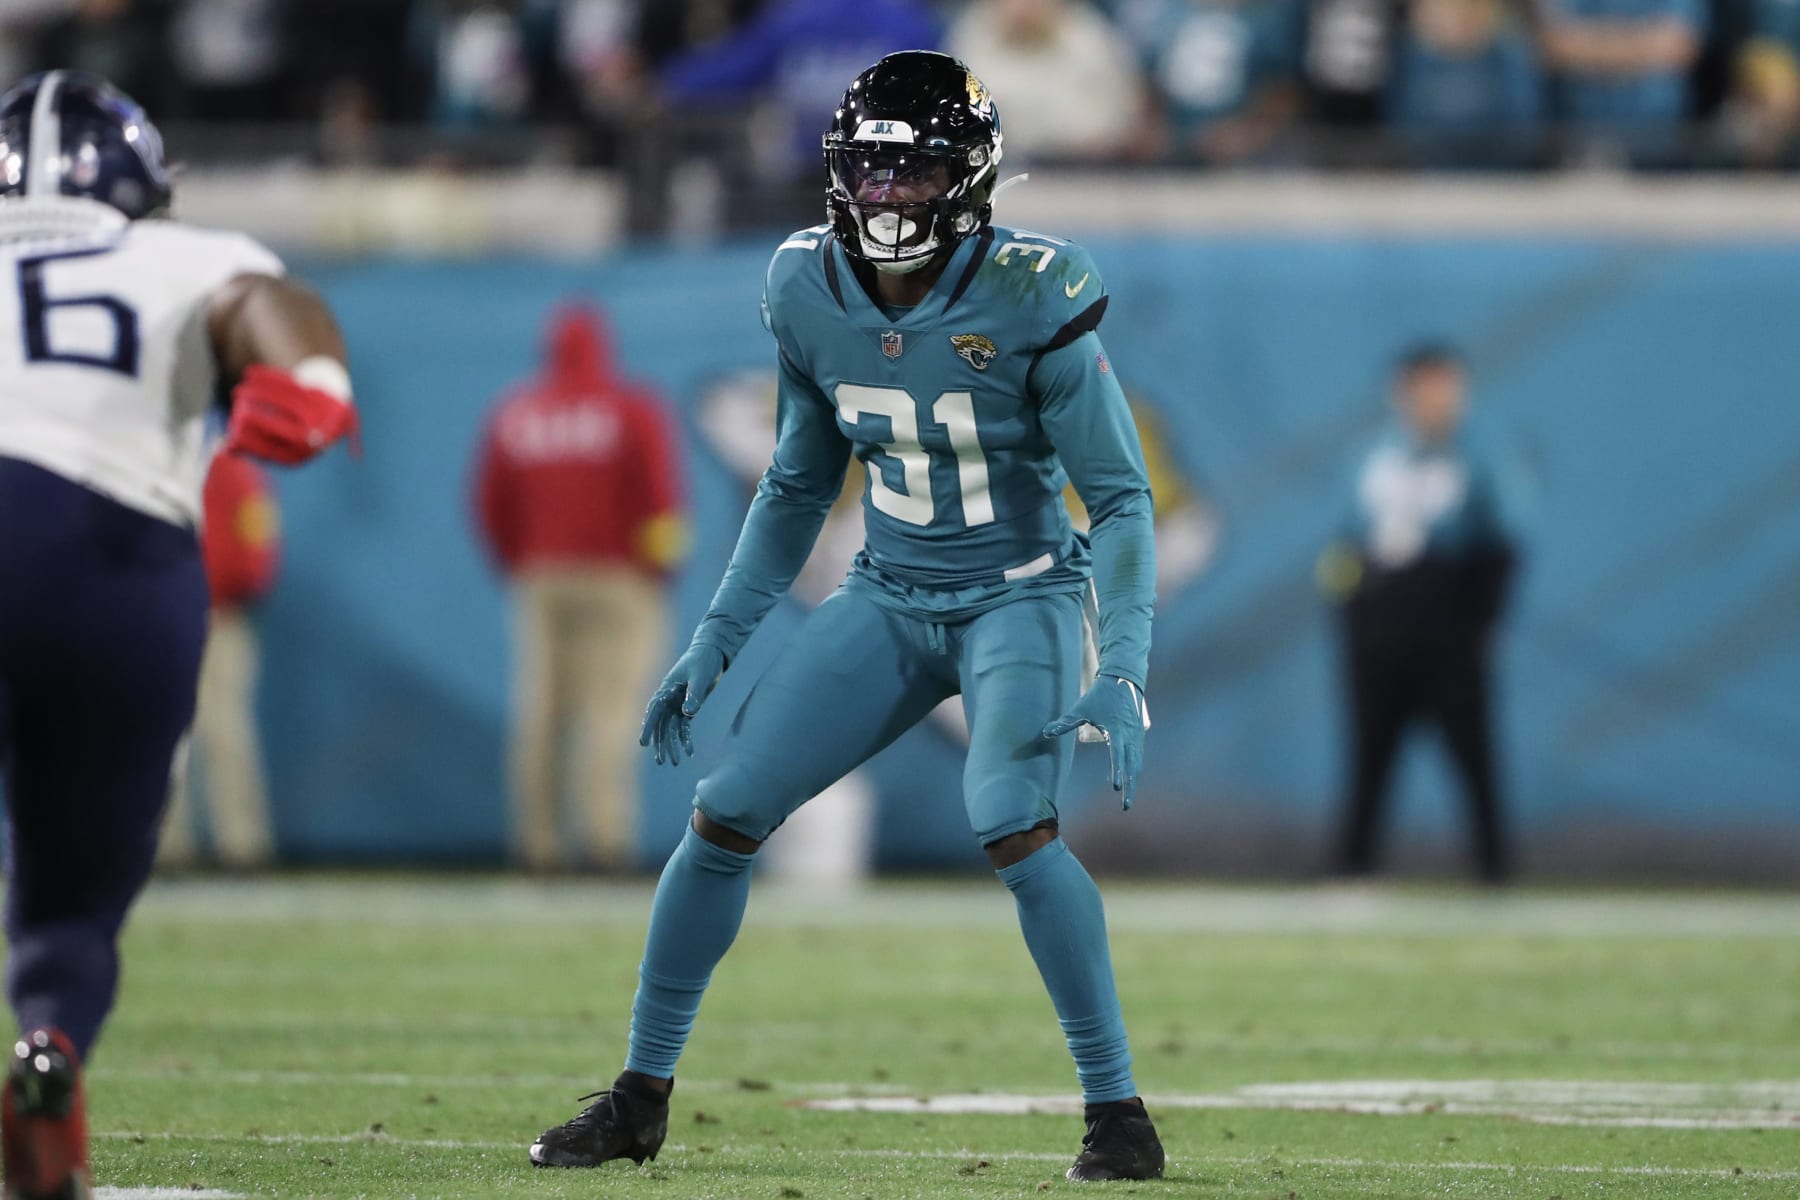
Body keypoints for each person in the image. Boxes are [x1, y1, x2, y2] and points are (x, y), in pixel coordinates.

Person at [529, 50, 1164, 1182]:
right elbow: (793, 485)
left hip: (1018, 593)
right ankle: (638, 1096)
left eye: (915, 172)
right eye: (870, 169)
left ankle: (1118, 1113)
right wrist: (717, 637)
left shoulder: (1034, 287)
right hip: (887, 591)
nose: (887, 195)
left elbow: (1116, 499)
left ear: (970, 178)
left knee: (1010, 819)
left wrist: (1122, 662)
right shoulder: (803, 284)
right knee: (726, 810)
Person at [0, 71, 358, 1198]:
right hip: (116, 559)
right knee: (73, 903)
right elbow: (261, 303)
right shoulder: (179, 255)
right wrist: (311, 381)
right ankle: (52, 1044)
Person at [473, 303, 687, 873]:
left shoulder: (516, 413)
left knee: (540, 710)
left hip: (541, 577)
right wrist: (659, 571)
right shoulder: (633, 409)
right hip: (619, 578)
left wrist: (520, 563)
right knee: (610, 712)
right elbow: (661, 499)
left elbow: (488, 504)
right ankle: (605, 841)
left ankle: (538, 844)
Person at [1321, 343, 1522, 884]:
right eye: (1427, 387)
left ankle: (1494, 871)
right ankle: (1353, 866)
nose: (1439, 400)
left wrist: (1483, 621)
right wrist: (1350, 609)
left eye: (1448, 388)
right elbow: (1345, 545)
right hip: (1379, 624)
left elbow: (1501, 547)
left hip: (1447, 626)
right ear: (1402, 392)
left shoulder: (1479, 457)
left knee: (1473, 755)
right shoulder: (1372, 455)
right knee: (1369, 753)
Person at [161, 450, 282, 871]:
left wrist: (234, 589)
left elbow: (256, 542)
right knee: (162, 737)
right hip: (161, 614)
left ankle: (242, 846)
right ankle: (165, 847)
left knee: (225, 732)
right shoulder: (155, 460)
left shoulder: (235, 468)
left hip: (220, 617)